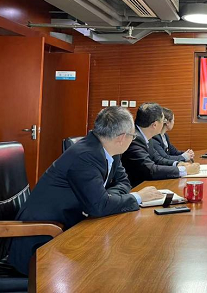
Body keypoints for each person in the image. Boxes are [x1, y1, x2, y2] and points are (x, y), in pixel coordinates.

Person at [8, 106, 163, 275]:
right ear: (121, 138)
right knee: (111, 267)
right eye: (133, 136)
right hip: (41, 243)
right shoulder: (85, 155)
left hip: (70, 228)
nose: (133, 140)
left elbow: (124, 182)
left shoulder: (111, 151)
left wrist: (107, 198)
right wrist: (137, 197)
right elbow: (99, 206)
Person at [121, 103, 200, 187]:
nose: (163, 124)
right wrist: (184, 170)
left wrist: (177, 164)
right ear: (154, 125)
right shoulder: (134, 139)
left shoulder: (146, 136)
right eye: (163, 121)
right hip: (135, 187)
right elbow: (150, 170)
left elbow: (157, 159)